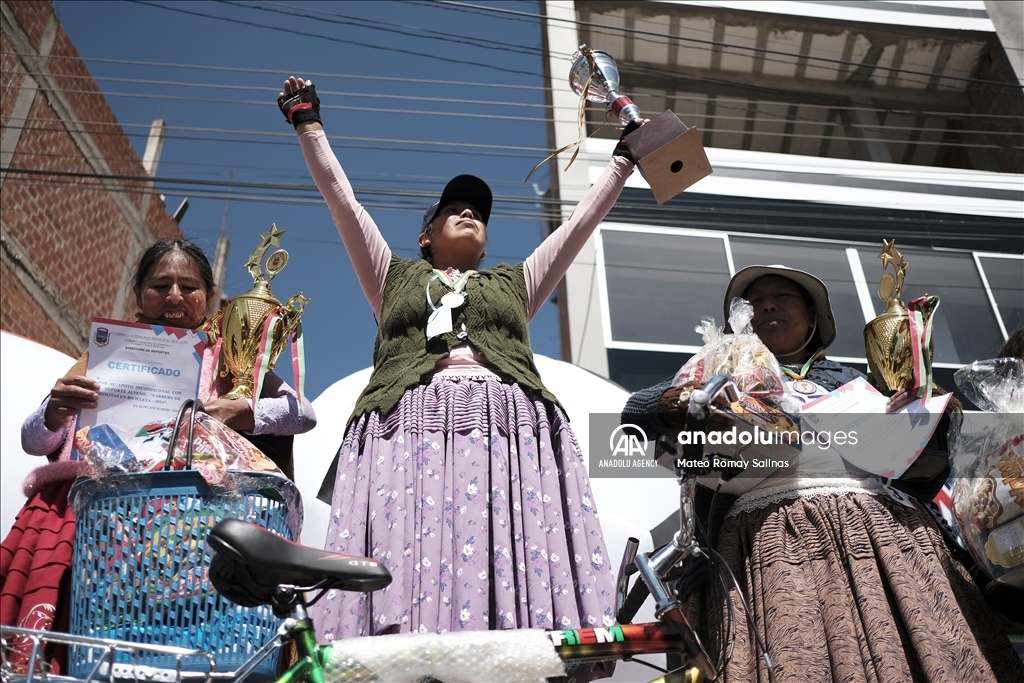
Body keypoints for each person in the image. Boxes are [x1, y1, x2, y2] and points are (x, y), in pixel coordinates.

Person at [277, 76, 639, 645]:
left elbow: (578, 228)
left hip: (507, 428)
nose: (470, 212)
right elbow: (342, 202)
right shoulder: (391, 275)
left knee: (504, 545)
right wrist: (309, 124)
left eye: (479, 212)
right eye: (454, 208)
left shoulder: (514, 281)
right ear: (425, 236)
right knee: (408, 542)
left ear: (488, 243)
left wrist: (623, 160)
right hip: (406, 427)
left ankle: (518, 643)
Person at [622, 265, 1024, 682]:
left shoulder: (859, 382)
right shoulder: (721, 372)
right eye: (754, 302)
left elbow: (922, 471)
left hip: (887, 541)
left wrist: (930, 408)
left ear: (813, 319)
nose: (768, 305)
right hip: (766, 543)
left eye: (783, 296)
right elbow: (634, 413)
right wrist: (680, 399)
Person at [1, 238, 316, 669]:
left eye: (188, 286)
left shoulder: (227, 358)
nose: (174, 296)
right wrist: (54, 412)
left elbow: (302, 413)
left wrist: (238, 409)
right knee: (86, 655)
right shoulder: (101, 355)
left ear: (209, 297)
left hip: (189, 534)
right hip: (96, 526)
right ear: (139, 296)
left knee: (179, 657)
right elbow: (34, 442)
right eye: (159, 285)